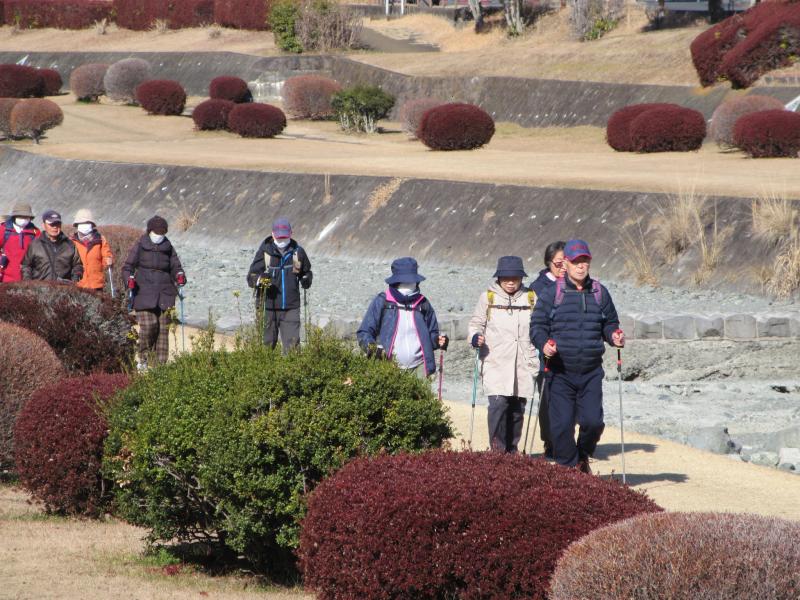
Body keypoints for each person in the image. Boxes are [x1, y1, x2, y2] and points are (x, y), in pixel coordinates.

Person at [530, 240, 624, 473]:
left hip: (591, 371)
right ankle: (569, 471)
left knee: (593, 423)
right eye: (576, 262)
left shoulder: (600, 293)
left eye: (585, 261)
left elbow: (610, 323)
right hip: (560, 372)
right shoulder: (552, 293)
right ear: (567, 265)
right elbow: (537, 326)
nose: (581, 266)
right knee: (561, 427)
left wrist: (614, 336)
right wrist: (544, 344)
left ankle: (582, 455)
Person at [469, 256, 538, 453]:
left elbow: (539, 327)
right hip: (495, 361)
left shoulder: (531, 298)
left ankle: (512, 451)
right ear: (498, 277)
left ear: (521, 278)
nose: (510, 281)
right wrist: (475, 337)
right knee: (498, 405)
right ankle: (498, 452)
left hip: (523, 363)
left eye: (515, 278)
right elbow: (476, 324)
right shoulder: (487, 298)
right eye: (505, 277)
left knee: (517, 409)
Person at [357, 257, 447, 378]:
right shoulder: (382, 301)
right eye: (405, 281)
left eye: (411, 281)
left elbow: (432, 333)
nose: (409, 285)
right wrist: (373, 350)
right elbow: (364, 332)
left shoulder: (423, 303)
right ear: (396, 282)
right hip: (388, 368)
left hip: (420, 368)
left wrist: (438, 340)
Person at [122, 215, 186, 369]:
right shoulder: (140, 245)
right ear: (149, 231)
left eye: (162, 232)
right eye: (157, 232)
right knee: (150, 325)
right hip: (144, 292)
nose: (159, 235)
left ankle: (160, 367)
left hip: (165, 293)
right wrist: (129, 280)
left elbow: (176, 267)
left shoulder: (168, 247)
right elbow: (127, 267)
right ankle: (143, 359)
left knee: (163, 329)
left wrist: (180, 276)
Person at [246, 218, 312, 352]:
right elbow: (250, 278)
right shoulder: (265, 252)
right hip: (267, 307)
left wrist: (306, 279)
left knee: (293, 348)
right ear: (272, 234)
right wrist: (260, 279)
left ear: (291, 234)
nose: (282, 240)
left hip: (290, 307)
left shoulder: (297, 252)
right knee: (265, 347)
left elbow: (306, 272)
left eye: (284, 237)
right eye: (279, 237)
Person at [529, 241, 567, 459]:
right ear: (548, 263)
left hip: (570, 350)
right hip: (545, 350)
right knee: (547, 397)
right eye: (558, 263)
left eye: (566, 262)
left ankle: (566, 440)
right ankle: (550, 441)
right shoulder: (537, 287)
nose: (563, 267)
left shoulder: (576, 284)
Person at [21, 210, 83, 283]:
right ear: (43, 225)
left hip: (63, 290)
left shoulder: (70, 245)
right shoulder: (35, 245)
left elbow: (77, 265)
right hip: (40, 289)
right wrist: (28, 283)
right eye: (51, 224)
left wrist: (75, 281)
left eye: (57, 224)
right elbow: (26, 266)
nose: (55, 227)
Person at [70, 209, 114, 292]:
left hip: (97, 285)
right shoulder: (72, 241)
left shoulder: (100, 240)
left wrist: (108, 260)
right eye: (81, 223)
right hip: (78, 285)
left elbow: (107, 256)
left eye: (87, 223)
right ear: (77, 225)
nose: (84, 225)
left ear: (92, 225)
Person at [0, 203, 41, 283]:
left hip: (29, 280)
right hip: (6, 279)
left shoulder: (35, 232)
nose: (24, 219)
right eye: (21, 216)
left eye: (26, 217)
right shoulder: (3, 230)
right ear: (14, 216)